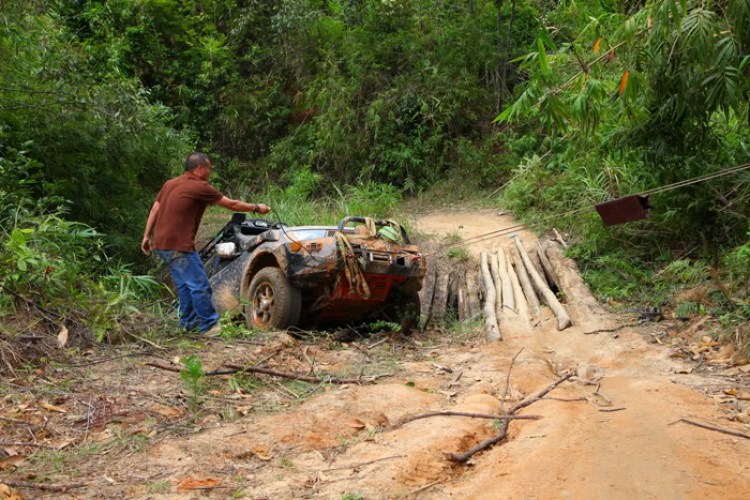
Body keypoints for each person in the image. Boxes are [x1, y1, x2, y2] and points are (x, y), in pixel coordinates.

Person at [141, 152, 271, 335]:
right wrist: (257, 207)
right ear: (200, 168)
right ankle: (209, 325)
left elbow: (155, 208)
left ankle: (188, 325)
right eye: (208, 167)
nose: (210, 171)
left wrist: (146, 236)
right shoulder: (200, 186)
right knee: (200, 285)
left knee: (186, 286)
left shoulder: (170, 184)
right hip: (178, 246)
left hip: (162, 244)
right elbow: (232, 204)